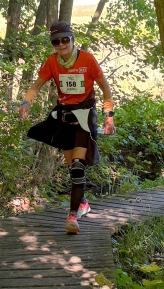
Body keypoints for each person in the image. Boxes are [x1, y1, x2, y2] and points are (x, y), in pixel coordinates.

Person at [19, 21, 116, 234]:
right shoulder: (52, 62)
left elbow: (105, 87)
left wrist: (109, 116)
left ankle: (72, 216)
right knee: (73, 169)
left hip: (85, 117)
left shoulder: (87, 59)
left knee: (78, 167)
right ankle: (83, 203)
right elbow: (36, 85)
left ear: (72, 39)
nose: (61, 44)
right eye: (56, 41)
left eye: (65, 39)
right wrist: (26, 101)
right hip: (65, 118)